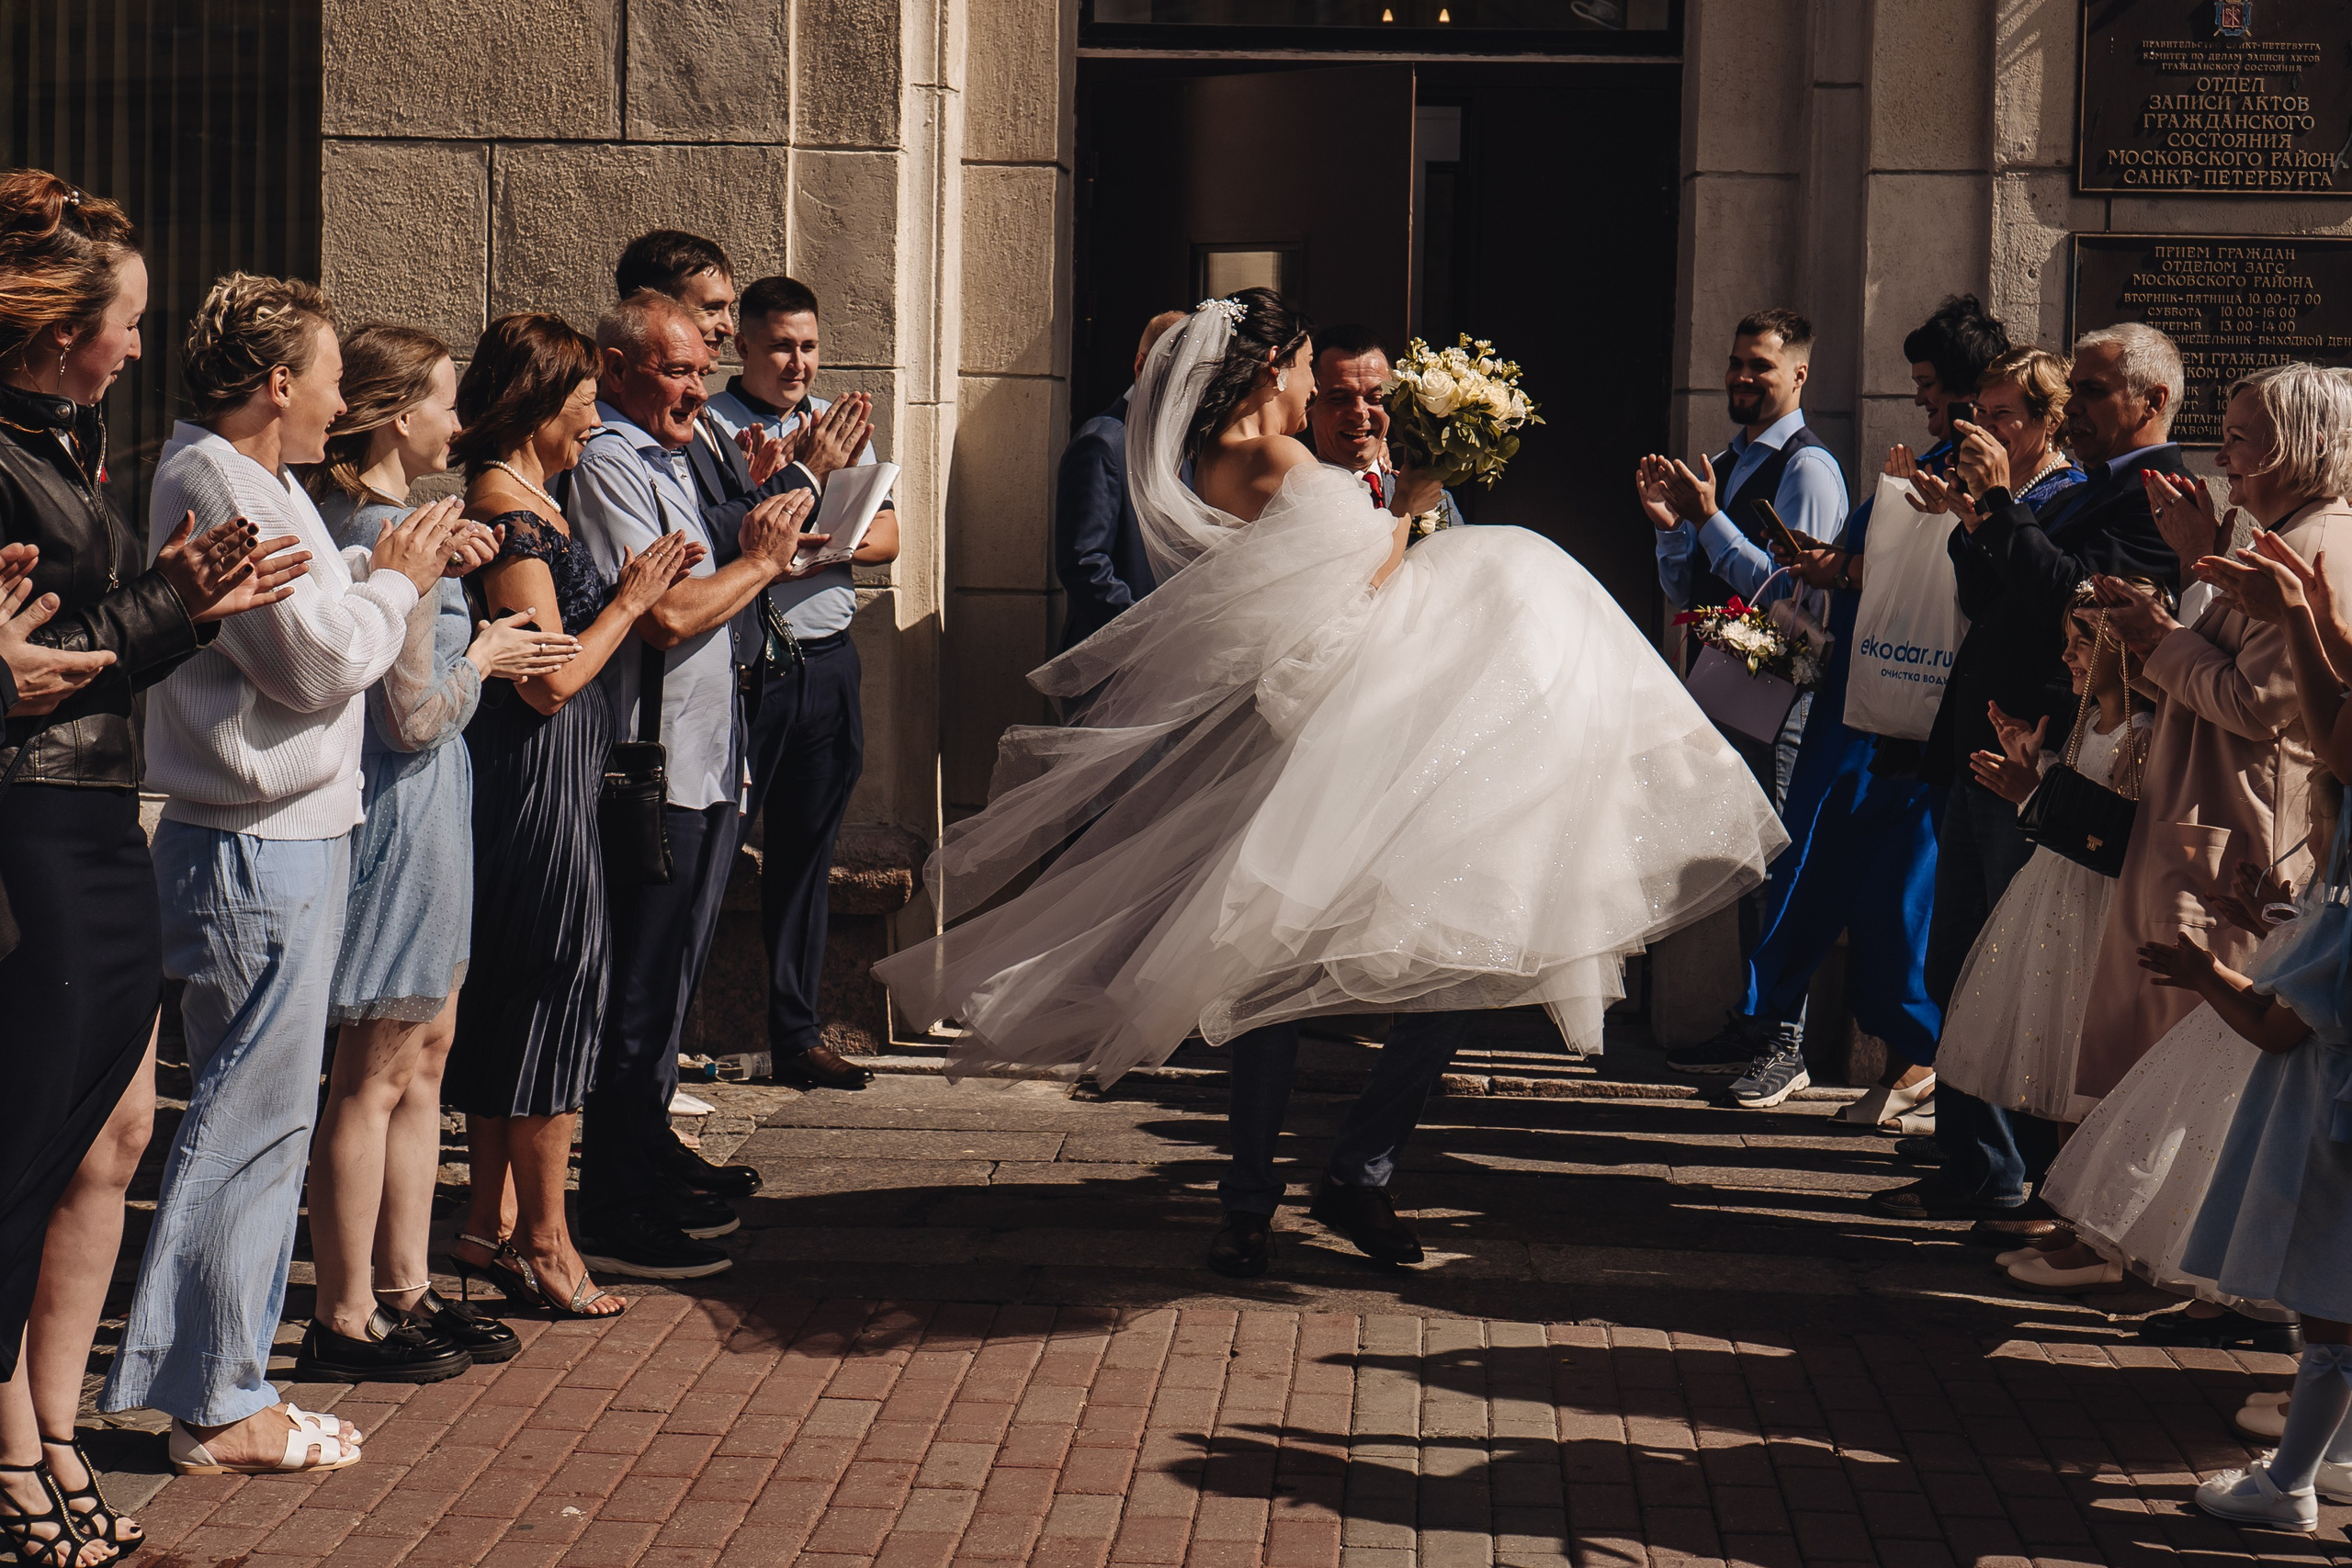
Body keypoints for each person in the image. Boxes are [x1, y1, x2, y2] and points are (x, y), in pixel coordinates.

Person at [872, 291, 1787, 1274]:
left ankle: (1280, 1194)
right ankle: (1332, 1177)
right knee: (1524, 601)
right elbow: (1364, 582)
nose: (1321, 389)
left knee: (1332, 970)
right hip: (1354, 733)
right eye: (1309, 368)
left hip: (1348, 734)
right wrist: (1414, 499)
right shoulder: (1278, 459)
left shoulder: (1217, 458)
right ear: (1275, 371)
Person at [96, 274, 464, 1476]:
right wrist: (398, 580)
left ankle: (222, 1380)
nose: (341, 400)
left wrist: (374, 584)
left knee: (264, 1114)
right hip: (251, 839)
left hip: (281, 832)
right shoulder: (214, 477)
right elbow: (313, 668)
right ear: (278, 384)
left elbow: (319, 638)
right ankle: (215, 1395)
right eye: (327, 374)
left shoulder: (260, 479)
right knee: (248, 1119)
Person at [0, 175, 301, 1565]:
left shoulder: (65, 437)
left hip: (95, 803)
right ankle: (15, 1452)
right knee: (35, 1147)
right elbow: (42, 660)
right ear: (57, 328)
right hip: (38, 825)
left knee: (100, 1139)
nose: (137, 344)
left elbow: (71, 655)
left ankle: (44, 1429)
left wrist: (180, 605)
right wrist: (175, 599)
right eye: (121, 321)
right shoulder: (11, 453)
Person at [292, 325, 572, 1384]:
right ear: (395, 414)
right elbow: (411, 714)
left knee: (425, 1053)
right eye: (445, 404)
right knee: (373, 1067)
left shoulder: (393, 518)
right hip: (403, 809)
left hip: (432, 807)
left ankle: (404, 1286)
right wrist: (493, 654)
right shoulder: (382, 528)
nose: (459, 424)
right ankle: (349, 1306)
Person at [1871, 322, 2185, 1226]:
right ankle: (1973, 1164)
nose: (2078, 409)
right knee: (1963, 965)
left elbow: (2080, 607)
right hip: (1990, 747)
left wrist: (2003, 507)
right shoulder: (2084, 490)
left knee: (2022, 975)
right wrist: (1979, 517)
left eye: (2090, 391)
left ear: (2149, 402)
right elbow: (1993, 597)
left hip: (2053, 755)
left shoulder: (2149, 500)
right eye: (2076, 391)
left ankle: (2025, 1184)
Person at [1669, 302, 2016, 1113]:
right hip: (1866, 707)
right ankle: (1904, 1058)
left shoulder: (1956, 479)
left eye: (1933, 388)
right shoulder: (1929, 462)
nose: (1922, 401)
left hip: (1895, 716)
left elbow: (1941, 585)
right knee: (1839, 885)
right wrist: (1842, 568)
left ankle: (1900, 1058)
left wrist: (1832, 569)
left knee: (1886, 898)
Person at [443, 312, 696, 1320]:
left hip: (545, 782)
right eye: (584, 400)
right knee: (553, 996)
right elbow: (548, 682)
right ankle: (548, 1239)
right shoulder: (511, 518)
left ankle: (486, 1226)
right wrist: (629, 603)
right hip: (536, 786)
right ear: (538, 407)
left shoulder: (527, 503)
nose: (594, 418)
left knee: (523, 1000)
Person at [565, 289, 818, 1278]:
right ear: (617, 370)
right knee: (634, 993)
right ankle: (616, 1201)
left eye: (700, 369)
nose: (697, 385)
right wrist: (761, 562)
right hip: (648, 765)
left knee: (667, 988)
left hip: (708, 757)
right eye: (678, 369)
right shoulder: (612, 464)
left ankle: (647, 1161)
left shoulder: (672, 456)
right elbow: (667, 615)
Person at [2073, 360, 2352, 1107]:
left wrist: (2159, 635)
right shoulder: (2284, 533)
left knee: (2185, 1072)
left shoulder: (2319, 548)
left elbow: (2257, 701)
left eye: (2236, 440)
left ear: (2296, 446)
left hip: (2238, 831)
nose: (2219, 458)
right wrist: (2183, 589)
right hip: (2207, 818)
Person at [1637, 307, 1848, 1105]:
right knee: (1747, 857)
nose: (1741, 377)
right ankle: (1754, 1021)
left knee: (1783, 862)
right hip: (1733, 687)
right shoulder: (1728, 458)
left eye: (1760, 365)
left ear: (1798, 374)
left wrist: (1711, 517)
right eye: (1736, 363)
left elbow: (1797, 595)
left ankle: (1787, 1042)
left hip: (1784, 699)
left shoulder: (1810, 469)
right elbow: (1691, 586)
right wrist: (1672, 531)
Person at [703, 276, 907, 1094]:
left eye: (810, 346)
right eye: (782, 345)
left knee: (806, 854)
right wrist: (785, 506)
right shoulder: (710, 430)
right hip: (749, 665)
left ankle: (798, 1033)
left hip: (826, 658)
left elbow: (889, 532)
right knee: (710, 850)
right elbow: (723, 539)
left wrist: (826, 545)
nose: (798, 363)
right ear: (745, 346)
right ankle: (677, 1035)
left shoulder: (835, 428)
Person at [2158, 773, 2352, 1532]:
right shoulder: (2333, 911)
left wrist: (2205, 974)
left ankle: (2289, 1482)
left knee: (2330, 1308)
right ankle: (2335, 1456)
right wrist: (2266, 915)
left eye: (2326, 822)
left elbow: (2277, 1025)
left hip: (2326, 1131)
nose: (2318, 840)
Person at [1935, 588, 2152, 1136]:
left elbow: (2111, 827)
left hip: (2095, 910)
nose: (2066, 656)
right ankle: (2049, 1189)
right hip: (2055, 901)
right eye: (2067, 642)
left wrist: (2033, 790)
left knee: (2082, 1054)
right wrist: (2035, 763)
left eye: (2083, 643)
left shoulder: (2141, 735)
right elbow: (2075, 789)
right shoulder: (2085, 727)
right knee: (2054, 1055)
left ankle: (2061, 1198)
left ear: (2125, 651)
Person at [1051, 310, 1184, 654]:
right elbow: (1084, 563)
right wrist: (1147, 635)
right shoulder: (1101, 443)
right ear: (1141, 366)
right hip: (1113, 659)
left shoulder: (1186, 443)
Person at [1305, 322, 1465, 534]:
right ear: (1309, 405)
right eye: (1340, 399)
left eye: (1376, 398)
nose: (1360, 412)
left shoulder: (1434, 499)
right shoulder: (1298, 500)